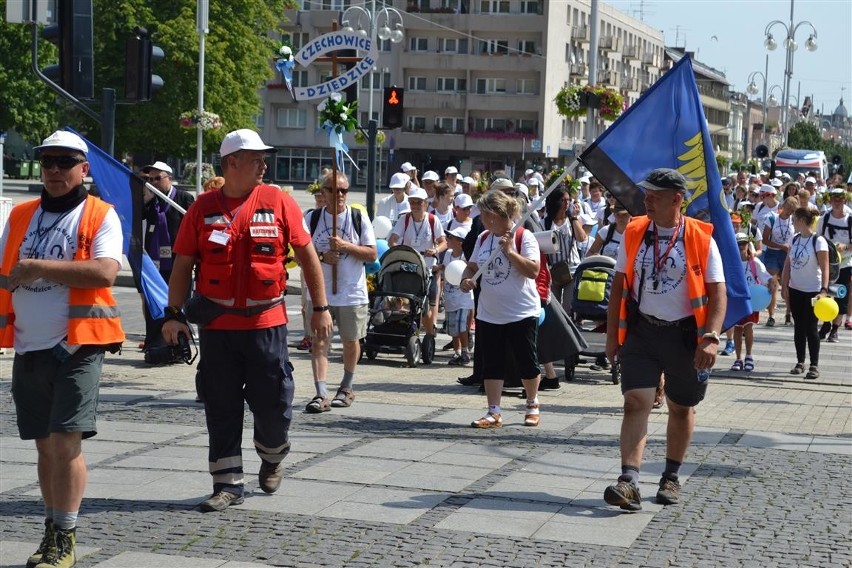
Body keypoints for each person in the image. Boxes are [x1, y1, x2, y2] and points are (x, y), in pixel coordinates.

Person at [161, 129, 332, 512]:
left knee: (273, 405)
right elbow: (183, 265)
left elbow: (307, 257)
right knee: (220, 406)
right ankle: (227, 484)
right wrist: (173, 316)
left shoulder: (278, 201)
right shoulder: (202, 208)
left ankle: (272, 455)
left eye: (262, 158)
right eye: (255, 159)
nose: (263, 165)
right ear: (231, 163)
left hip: (266, 324)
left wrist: (320, 309)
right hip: (218, 327)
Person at [0, 130, 125, 567]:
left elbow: (105, 273)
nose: (53, 170)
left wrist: (37, 266)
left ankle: (66, 536)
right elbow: (3, 275)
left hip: (77, 347)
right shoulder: (19, 215)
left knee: (66, 442)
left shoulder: (100, 214)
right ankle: (51, 530)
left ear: (83, 168)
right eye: (46, 161)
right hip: (28, 346)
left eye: (64, 162)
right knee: (44, 447)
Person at [603, 168, 726, 511]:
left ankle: (670, 476)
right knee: (635, 402)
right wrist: (612, 336)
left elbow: (718, 294)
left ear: (677, 199)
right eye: (646, 194)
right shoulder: (636, 232)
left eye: (655, 195)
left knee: (681, 406)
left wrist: (712, 337)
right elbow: (618, 288)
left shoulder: (702, 239)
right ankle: (629, 482)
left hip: (686, 336)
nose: (647, 200)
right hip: (643, 331)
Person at [460, 189, 543, 427]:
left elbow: (533, 270)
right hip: (489, 312)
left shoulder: (523, 236)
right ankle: (493, 411)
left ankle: (532, 403)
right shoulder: (484, 238)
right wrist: (467, 279)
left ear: (494, 215)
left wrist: (510, 253)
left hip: (521, 311)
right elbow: (472, 266)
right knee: (492, 363)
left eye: (484, 215)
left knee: (526, 361)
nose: (481, 219)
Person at [304, 171, 377, 412]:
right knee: (319, 341)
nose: (340, 195)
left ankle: (346, 386)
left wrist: (345, 246)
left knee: (350, 340)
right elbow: (300, 254)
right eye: (334, 190)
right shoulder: (312, 219)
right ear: (323, 193)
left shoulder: (358, 218)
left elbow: (371, 253)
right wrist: (324, 255)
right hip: (321, 293)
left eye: (344, 190)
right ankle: (320, 392)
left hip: (351, 292)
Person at [139, 161, 195, 357]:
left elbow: (194, 225)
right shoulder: (150, 200)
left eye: (157, 178)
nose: (153, 182)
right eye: (150, 179)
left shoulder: (183, 197)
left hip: (177, 261)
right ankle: (154, 342)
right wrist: (146, 198)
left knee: (176, 305)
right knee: (153, 303)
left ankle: (178, 345)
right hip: (154, 262)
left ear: (169, 178)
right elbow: (138, 218)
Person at [388, 185, 447, 359]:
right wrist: (396, 248)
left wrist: (435, 250)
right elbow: (392, 239)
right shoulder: (404, 220)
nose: (415, 205)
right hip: (408, 266)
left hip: (427, 268)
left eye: (418, 202)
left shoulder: (432, 220)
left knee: (428, 307)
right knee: (402, 300)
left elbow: (443, 242)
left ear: (425, 204)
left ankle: (429, 335)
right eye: (412, 202)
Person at [781, 207, 830, 380]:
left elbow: (825, 267)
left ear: (802, 220)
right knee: (798, 327)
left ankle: (814, 365)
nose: (792, 223)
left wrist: (824, 290)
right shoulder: (794, 239)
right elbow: (788, 264)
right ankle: (800, 361)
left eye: (794, 220)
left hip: (813, 291)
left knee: (811, 328)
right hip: (796, 289)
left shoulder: (818, 241)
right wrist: (785, 285)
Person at [730, 233, 774, 372]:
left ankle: (749, 356)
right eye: (738, 244)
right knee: (737, 329)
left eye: (743, 244)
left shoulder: (754, 262)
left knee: (748, 328)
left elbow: (767, 277)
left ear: (748, 245)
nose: (741, 246)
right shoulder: (731, 262)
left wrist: (771, 284)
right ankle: (738, 358)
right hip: (736, 300)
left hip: (751, 300)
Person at [815, 188, 852, 338]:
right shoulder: (824, 218)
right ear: (830, 200)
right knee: (827, 294)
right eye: (834, 198)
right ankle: (825, 324)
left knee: (841, 296)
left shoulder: (850, 219)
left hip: (845, 264)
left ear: (845, 200)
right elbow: (817, 239)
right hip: (827, 264)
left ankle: (835, 329)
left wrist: (846, 247)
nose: (837, 201)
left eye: (840, 198)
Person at [438, 225, 474, 365]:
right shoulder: (448, 254)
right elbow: (446, 268)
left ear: (460, 242)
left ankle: (465, 352)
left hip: (463, 296)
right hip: (450, 296)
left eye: (450, 237)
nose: (447, 239)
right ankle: (457, 352)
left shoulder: (466, 256)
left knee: (461, 325)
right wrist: (439, 268)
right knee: (452, 328)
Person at [761, 196, 796, 327]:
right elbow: (764, 239)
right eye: (787, 209)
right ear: (782, 206)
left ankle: (788, 313)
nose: (788, 212)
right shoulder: (772, 218)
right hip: (773, 253)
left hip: (788, 255)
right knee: (773, 285)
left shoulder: (794, 221)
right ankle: (771, 316)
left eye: (791, 211)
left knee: (788, 285)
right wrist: (781, 246)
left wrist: (789, 249)